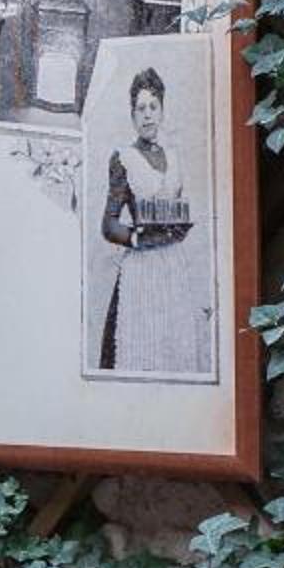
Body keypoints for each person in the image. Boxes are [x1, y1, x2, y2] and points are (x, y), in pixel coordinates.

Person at [97, 65, 213, 377]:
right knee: (141, 346)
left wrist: (178, 227)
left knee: (176, 346)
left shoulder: (173, 156)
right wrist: (137, 238)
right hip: (141, 270)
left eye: (153, 107)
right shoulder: (123, 158)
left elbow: (174, 213)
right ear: (132, 115)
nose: (147, 115)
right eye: (140, 109)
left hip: (173, 266)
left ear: (162, 110)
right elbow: (108, 225)